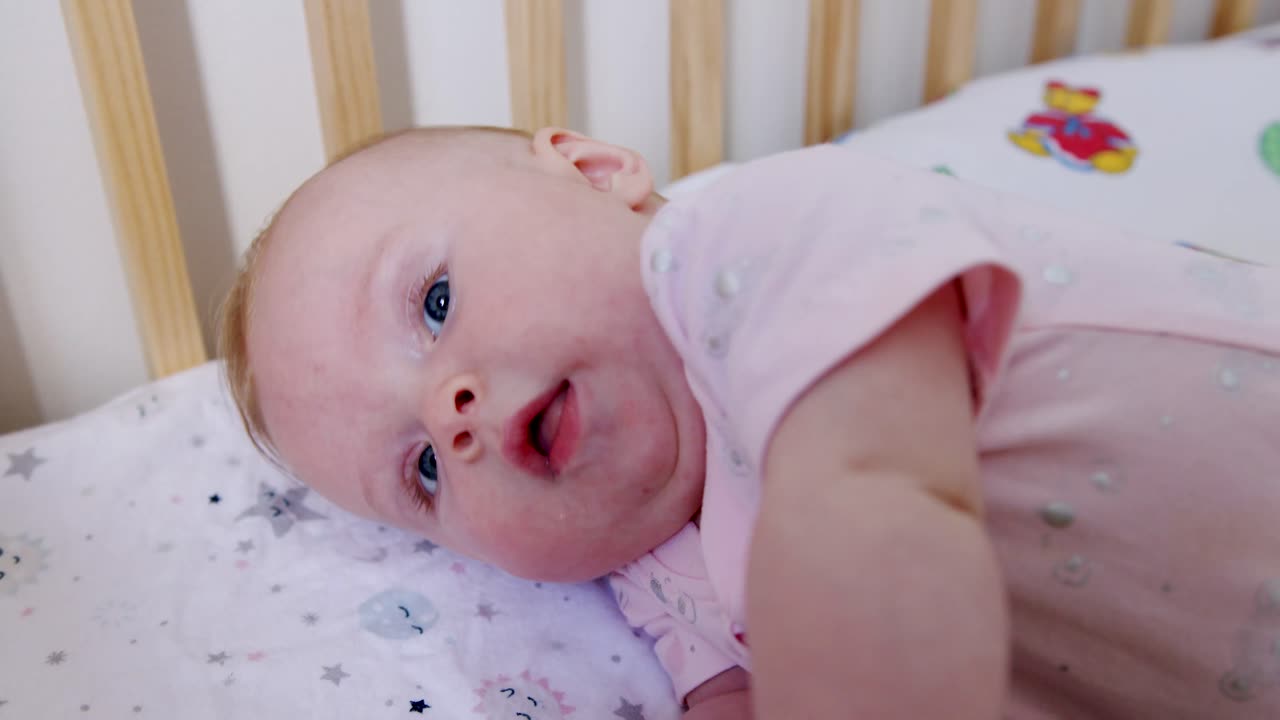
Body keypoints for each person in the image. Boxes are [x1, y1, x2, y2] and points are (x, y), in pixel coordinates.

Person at [219, 125, 1280, 718]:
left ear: (594, 171)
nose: (447, 418)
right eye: (420, 476)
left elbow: (872, 498)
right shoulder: (655, 576)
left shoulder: (757, 240)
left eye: (435, 303)